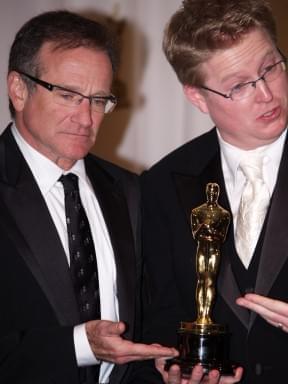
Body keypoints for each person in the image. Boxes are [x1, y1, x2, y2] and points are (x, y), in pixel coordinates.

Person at [0, 10, 177, 384]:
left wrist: (165, 369)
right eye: (68, 95)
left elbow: (142, 325)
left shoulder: (128, 190)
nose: (86, 118)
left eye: (98, 100)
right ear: (18, 89)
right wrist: (81, 344)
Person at [140, 0, 288, 383]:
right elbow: (159, 314)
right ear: (198, 97)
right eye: (239, 85)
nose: (266, 93)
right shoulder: (161, 184)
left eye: (270, 68)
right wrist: (171, 369)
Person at [191, 183, 230, 325]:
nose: (212, 194)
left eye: (215, 191)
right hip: (201, 247)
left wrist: (211, 230)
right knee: (201, 280)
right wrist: (203, 226)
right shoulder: (197, 212)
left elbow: (223, 236)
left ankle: (207, 315)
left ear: (217, 193)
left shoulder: (223, 214)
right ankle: (200, 316)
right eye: (210, 191)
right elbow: (195, 234)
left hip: (214, 248)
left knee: (210, 281)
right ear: (207, 192)